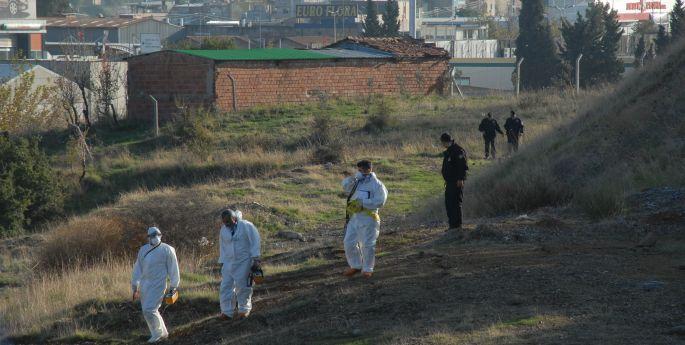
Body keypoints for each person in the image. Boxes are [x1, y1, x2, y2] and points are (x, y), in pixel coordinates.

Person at [131, 227, 180, 343]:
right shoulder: (143, 250)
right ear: (148, 237)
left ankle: (157, 334)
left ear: (161, 235)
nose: (155, 237)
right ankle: (163, 333)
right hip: (145, 283)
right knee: (147, 310)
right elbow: (138, 268)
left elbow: (174, 269)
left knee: (150, 309)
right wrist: (135, 286)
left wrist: (174, 286)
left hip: (158, 283)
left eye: (157, 234)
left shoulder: (168, 249)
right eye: (152, 235)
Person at [342, 160, 388, 278]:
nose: (360, 172)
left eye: (361, 170)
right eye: (358, 170)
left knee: (367, 244)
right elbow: (345, 187)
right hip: (354, 217)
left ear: (368, 169)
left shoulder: (377, 185)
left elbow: (380, 201)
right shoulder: (357, 182)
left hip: (369, 218)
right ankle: (355, 265)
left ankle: (367, 269)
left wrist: (362, 203)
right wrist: (353, 177)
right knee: (349, 243)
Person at [218, 209, 261, 320]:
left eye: (228, 221)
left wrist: (256, 259)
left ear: (234, 218)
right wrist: (222, 262)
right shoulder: (223, 230)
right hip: (228, 262)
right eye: (225, 222)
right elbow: (222, 246)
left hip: (244, 261)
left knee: (243, 286)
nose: (227, 224)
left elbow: (255, 241)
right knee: (225, 286)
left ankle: (244, 309)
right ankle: (227, 312)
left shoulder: (247, 226)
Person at [440, 133, 468, 231]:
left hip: (457, 182)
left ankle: (458, 225)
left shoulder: (458, 151)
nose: (443, 144)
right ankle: (452, 225)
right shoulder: (449, 151)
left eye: (443, 142)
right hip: (449, 182)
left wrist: (461, 179)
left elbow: (462, 166)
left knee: (456, 203)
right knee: (449, 203)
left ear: (448, 141)